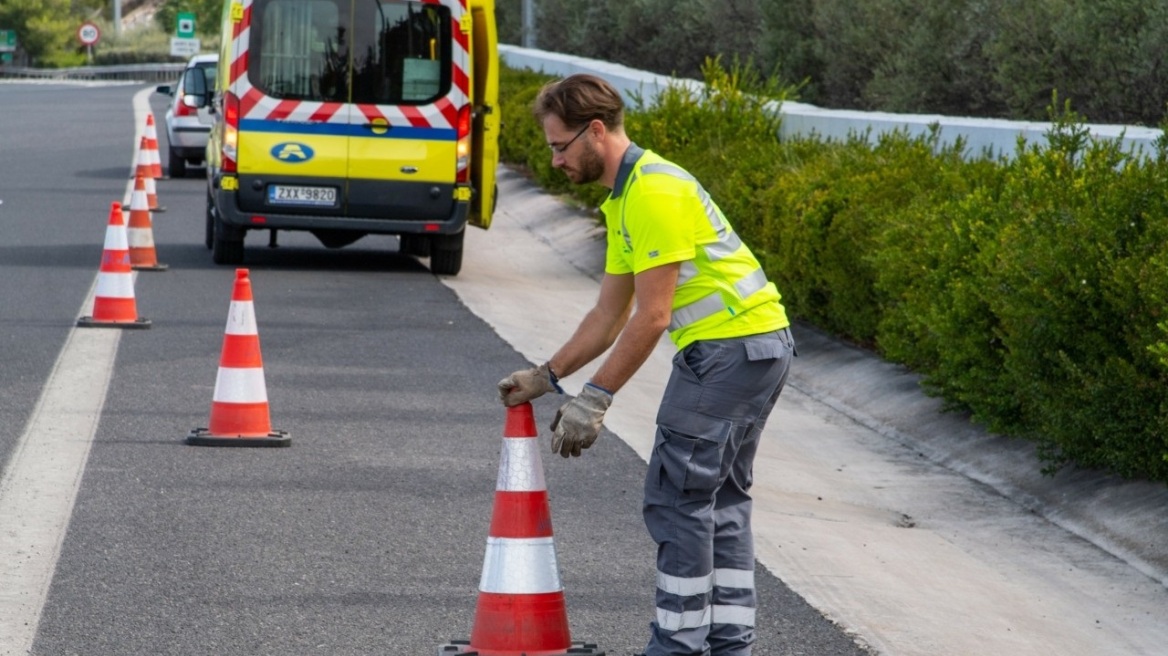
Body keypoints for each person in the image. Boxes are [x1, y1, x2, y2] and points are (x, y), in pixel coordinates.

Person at [497, 73, 795, 656]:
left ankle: (676, 645)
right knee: (720, 500)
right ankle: (729, 644)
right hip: (757, 347)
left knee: (678, 498)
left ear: (597, 131)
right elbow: (609, 313)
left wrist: (596, 398)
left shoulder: (654, 192)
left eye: (560, 146)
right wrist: (547, 376)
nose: (554, 159)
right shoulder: (626, 196)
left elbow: (653, 316)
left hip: (727, 353)